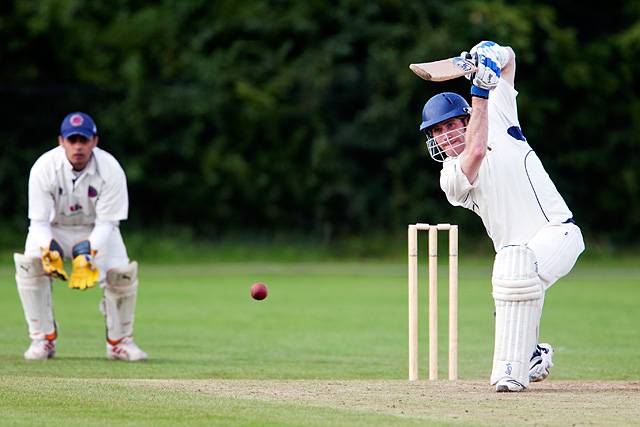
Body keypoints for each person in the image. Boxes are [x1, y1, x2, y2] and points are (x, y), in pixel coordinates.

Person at [418, 41, 585, 391]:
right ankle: (531, 354)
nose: (444, 136)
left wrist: (495, 53)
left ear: (465, 119)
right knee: (513, 270)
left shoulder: (499, 111)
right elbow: (477, 149)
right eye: (436, 131)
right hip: (515, 256)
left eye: (449, 126)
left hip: (560, 233)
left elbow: (510, 63)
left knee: (515, 269)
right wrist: (480, 89)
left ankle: (510, 373)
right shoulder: (451, 175)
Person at [14, 112, 148, 362]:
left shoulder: (110, 168)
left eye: (83, 140)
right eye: (72, 140)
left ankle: (119, 342)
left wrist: (87, 251)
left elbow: (108, 222)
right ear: (61, 141)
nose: (78, 146)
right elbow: (39, 222)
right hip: (52, 229)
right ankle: (43, 339)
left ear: (94, 141)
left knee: (122, 273)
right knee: (29, 265)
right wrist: (48, 249)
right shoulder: (44, 167)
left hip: (96, 230)